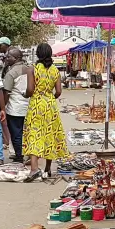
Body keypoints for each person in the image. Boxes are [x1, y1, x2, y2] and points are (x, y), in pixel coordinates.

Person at [22, 43, 69, 183]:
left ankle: (34, 168)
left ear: (37, 54)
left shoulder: (32, 69)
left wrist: (25, 95)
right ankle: (48, 168)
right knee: (50, 133)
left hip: (36, 104)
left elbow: (30, 90)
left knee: (34, 134)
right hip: (50, 104)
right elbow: (59, 92)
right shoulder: (55, 70)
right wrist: (49, 98)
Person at [2, 48, 30, 163]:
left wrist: (2, 107)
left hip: (15, 108)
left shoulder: (11, 73)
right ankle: (29, 154)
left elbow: (6, 92)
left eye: (9, 57)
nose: (7, 58)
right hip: (29, 106)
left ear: (16, 58)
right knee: (27, 132)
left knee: (16, 134)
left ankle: (19, 157)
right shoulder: (30, 69)